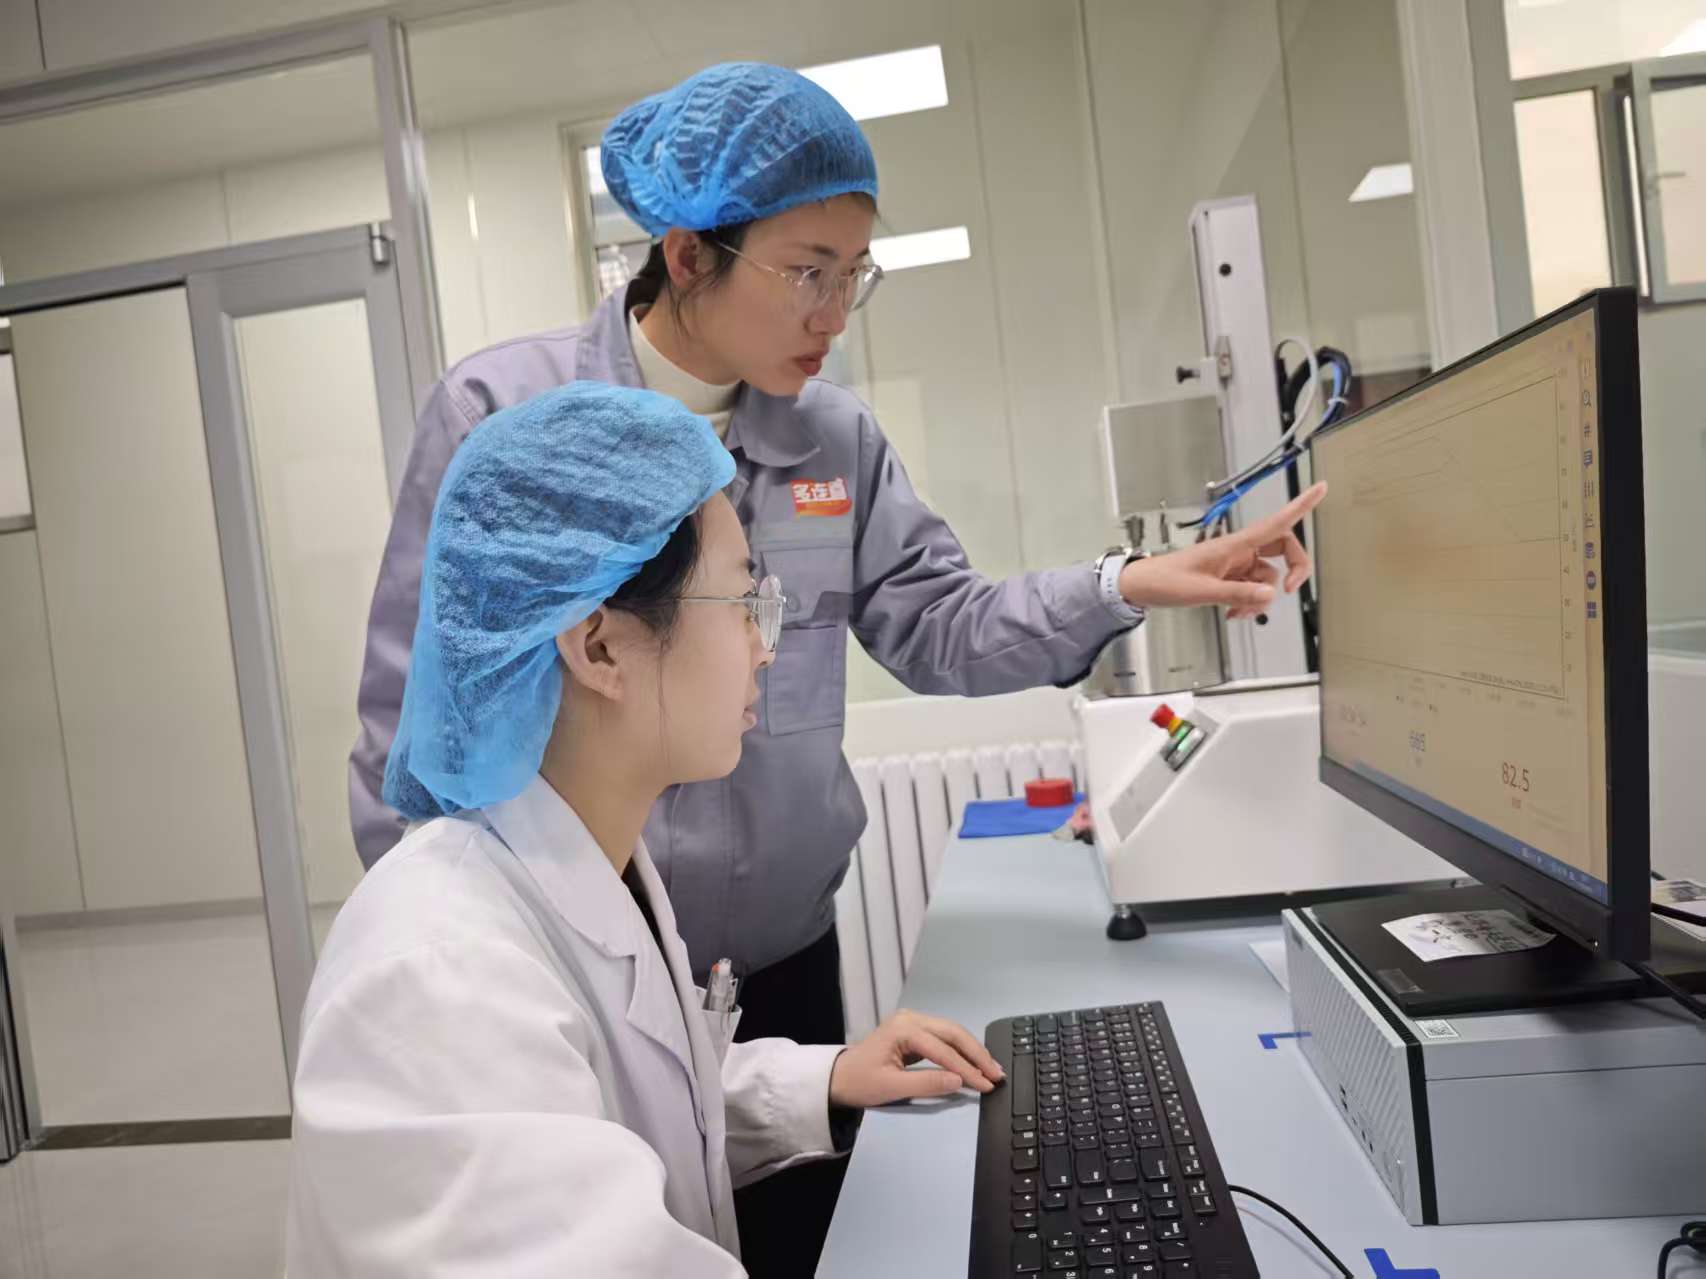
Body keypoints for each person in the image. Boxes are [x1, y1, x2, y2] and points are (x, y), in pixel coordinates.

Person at [347, 60, 1325, 1270]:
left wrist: (1125, 583)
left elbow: (942, 623)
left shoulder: (830, 437)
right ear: (688, 254)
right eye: (808, 271)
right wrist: (456, 965)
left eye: (854, 274)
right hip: (571, 967)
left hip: (777, 967)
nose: (834, 313)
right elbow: (417, 724)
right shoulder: (505, 417)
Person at [290, 381, 1005, 1276]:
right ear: (597, 648)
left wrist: (823, 1080)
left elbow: (618, 1099)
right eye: (742, 602)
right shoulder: (441, 979)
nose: (766, 646)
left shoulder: (587, 861)